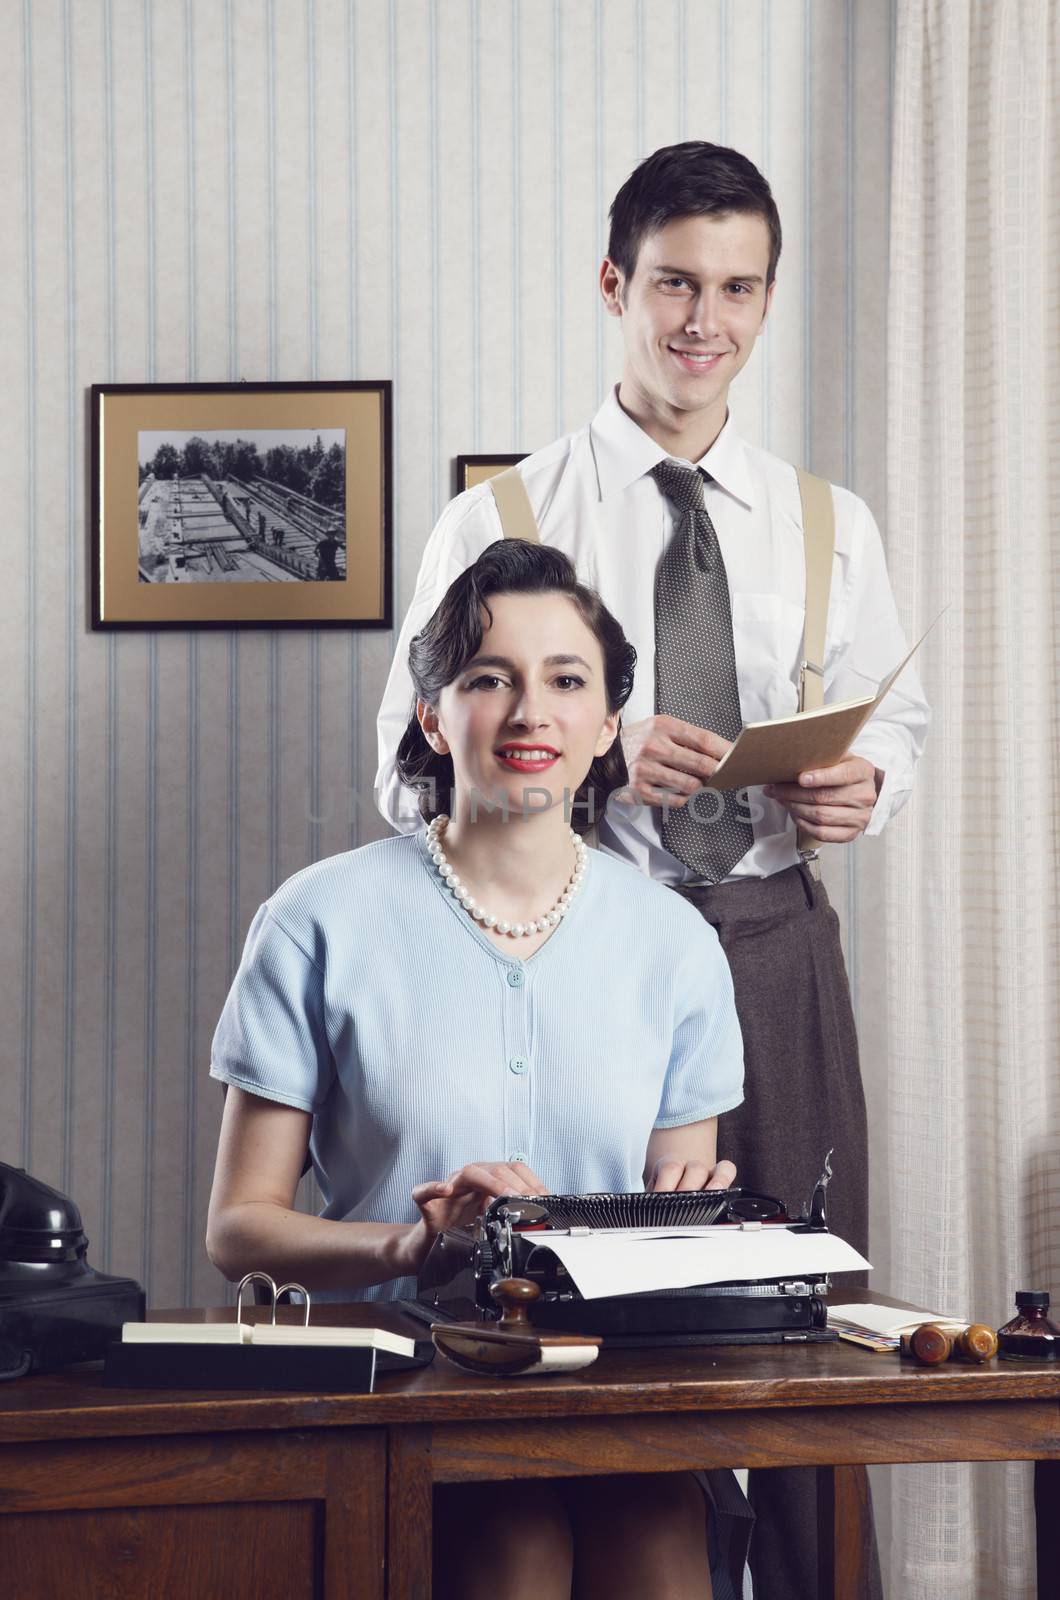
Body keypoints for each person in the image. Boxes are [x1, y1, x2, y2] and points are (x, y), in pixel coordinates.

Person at [375, 141, 931, 1600]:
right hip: (576, 960)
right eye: (676, 281)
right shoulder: (497, 521)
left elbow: (901, 719)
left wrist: (871, 782)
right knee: (582, 1322)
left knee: (805, 1326)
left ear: (765, 299)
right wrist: (586, 759)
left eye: (738, 288)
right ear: (614, 284)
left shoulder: (833, 525)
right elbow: (398, 768)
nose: (706, 319)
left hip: (774, 946)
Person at [208, 540, 748, 1600]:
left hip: (608, 1387)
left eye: (565, 680)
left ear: (607, 728)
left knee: (655, 1531)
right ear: (431, 714)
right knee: (513, 1544)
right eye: (487, 677)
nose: (528, 712)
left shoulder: (676, 940)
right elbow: (237, 1229)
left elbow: (675, 1224)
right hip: (398, 1380)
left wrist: (692, 1223)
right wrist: (417, 1239)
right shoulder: (317, 917)